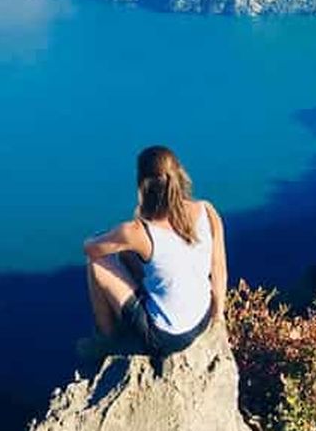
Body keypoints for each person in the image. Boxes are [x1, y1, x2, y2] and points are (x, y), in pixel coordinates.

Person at [81, 145, 227, 358]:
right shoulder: (206, 210)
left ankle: (107, 341)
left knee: (97, 264)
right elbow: (219, 268)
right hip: (202, 318)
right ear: (179, 174)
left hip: (165, 337)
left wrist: (107, 234)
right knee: (126, 254)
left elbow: (91, 249)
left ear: (143, 184)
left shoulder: (137, 232)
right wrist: (218, 316)